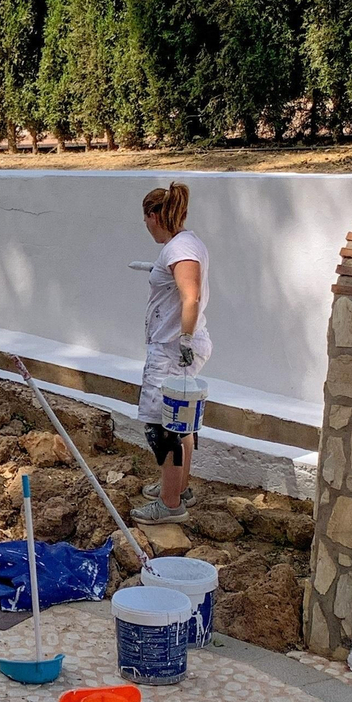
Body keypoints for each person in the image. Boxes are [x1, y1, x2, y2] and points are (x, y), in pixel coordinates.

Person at [128, 182, 210, 526]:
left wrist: (185, 340)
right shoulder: (184, 246)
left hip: (173, 351)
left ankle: (170, 503)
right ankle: (178, 488)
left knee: (163, 429)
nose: (146, 226)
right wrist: (155, 270)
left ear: (154, 216)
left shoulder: (180, 250)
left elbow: (189, 296)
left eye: (146, 219)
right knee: (181, 424)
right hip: (177, 348)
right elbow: (180, 286)